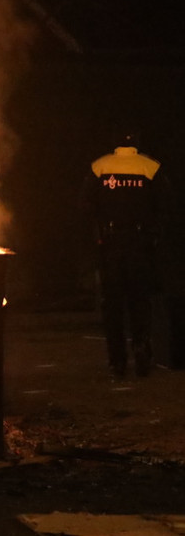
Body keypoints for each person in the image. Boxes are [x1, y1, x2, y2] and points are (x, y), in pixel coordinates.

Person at [83, 130, 173, 378]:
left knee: (112, 304)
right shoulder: (150, 167)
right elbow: (165, 204)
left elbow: (86, 205)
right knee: (140, 301)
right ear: (137, 143)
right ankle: (142, 352)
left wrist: (97, 234)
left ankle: (117, 361)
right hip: (140, 244)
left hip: (109, 244)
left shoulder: (99, 167)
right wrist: (154, 234)